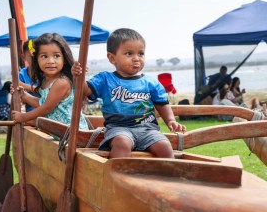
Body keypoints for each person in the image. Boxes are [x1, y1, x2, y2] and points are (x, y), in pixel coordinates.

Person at [72, 28, 185, 159]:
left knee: (164, 146)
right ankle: (118, 176)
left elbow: (162, 104)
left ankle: (166, 176)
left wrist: (171, 120)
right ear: (112, 58)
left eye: (141, 53)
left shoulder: (150, 83)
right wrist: (78, 77)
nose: (136, 58)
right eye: (129, 53)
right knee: (122, 143)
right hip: (118, 129)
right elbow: (85, 90)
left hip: (148, 129)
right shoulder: (105, 79)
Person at [10, 32, 88, 129]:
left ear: (64, 59)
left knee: (30, 122)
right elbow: (43, 103)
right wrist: (23, 95)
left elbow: (46, 108)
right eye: (44, 56)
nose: (51, 61)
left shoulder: (61, 82)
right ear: (36, 60)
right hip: (59, 132)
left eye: (56, 56)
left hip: (72, 134)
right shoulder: (45, 81)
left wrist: (23, 117)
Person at [18, 39, 39, 112]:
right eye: (32, 57)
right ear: (24, 57)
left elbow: (42, 90)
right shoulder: (22, 74)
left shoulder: (44, 72)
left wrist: (22, 85)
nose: (35, 59)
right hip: (30, 112)